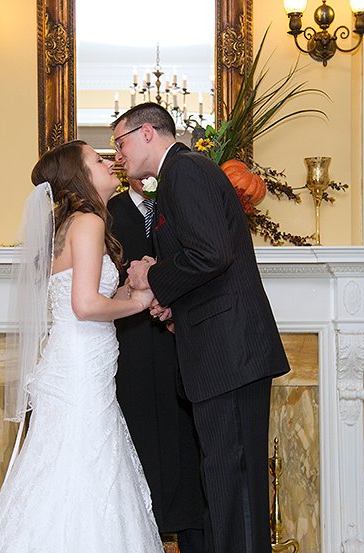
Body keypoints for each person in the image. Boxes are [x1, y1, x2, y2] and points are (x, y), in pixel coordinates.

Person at [0, 140, 163, 552]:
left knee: (62, 463)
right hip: (80, 365)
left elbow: (78, 294)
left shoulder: (69, 225)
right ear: (80, 176)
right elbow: (86, 304)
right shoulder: (89, 222)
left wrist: (134, 281)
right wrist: (140, 301)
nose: (109, 162)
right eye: (97, 159)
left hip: (75, 360)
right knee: (83, 464)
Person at [118, 102, 289, 553]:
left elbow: (211, 254)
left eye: (121, 142)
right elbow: (207, 258)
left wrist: (151, 279)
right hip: (222, 351)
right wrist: (173, 305)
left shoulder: (185, 171)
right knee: (228, 486)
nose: (118, 154)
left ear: (148, 133)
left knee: (235, 488)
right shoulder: (182, 173)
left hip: (228, 353)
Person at [106, 176, 209, 552]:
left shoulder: (182, 204)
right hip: (129, 349)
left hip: (182, 349)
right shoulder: (107, 213)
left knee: (188, 457)